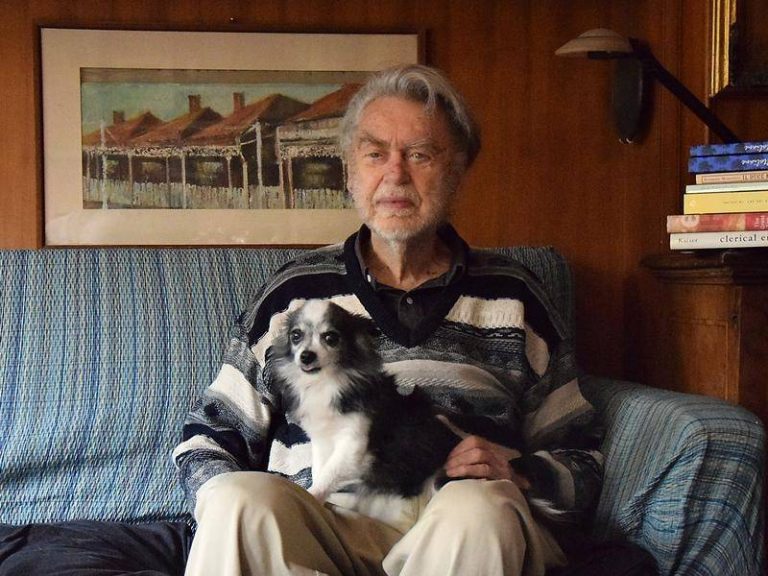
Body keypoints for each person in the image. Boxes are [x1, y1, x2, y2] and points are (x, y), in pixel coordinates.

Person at [173, 64, 606, 576]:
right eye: (376, 154)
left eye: (420, 155)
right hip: (321, 528)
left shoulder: (515, 296)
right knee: (235, 499)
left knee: (482, 509)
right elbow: (210, 437)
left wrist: (519, 472)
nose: (396, 175)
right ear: (350, 172)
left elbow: (581, 455)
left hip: (456, 525)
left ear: (457, 171)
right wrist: (225, 509)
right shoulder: (293, 295)